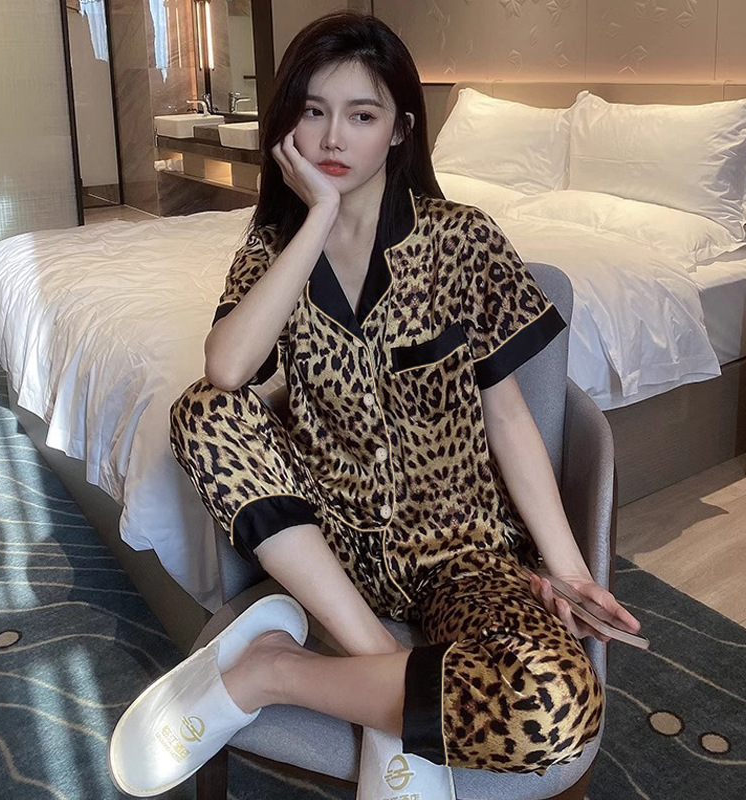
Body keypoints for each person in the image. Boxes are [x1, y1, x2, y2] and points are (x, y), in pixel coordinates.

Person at [113, 9, 643, 794]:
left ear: (399, 130)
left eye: (362, 116)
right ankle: (384, 669)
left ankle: (272, 671)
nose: (333, 138)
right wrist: (317, 220)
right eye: (313, 111)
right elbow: (226, 369)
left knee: (557, 705)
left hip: (464, 554)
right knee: (202, 410)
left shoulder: (462, 240)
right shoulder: (273, 250)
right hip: (333, 551)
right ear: (288, 124)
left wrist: (567, 569)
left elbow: (509, 417)